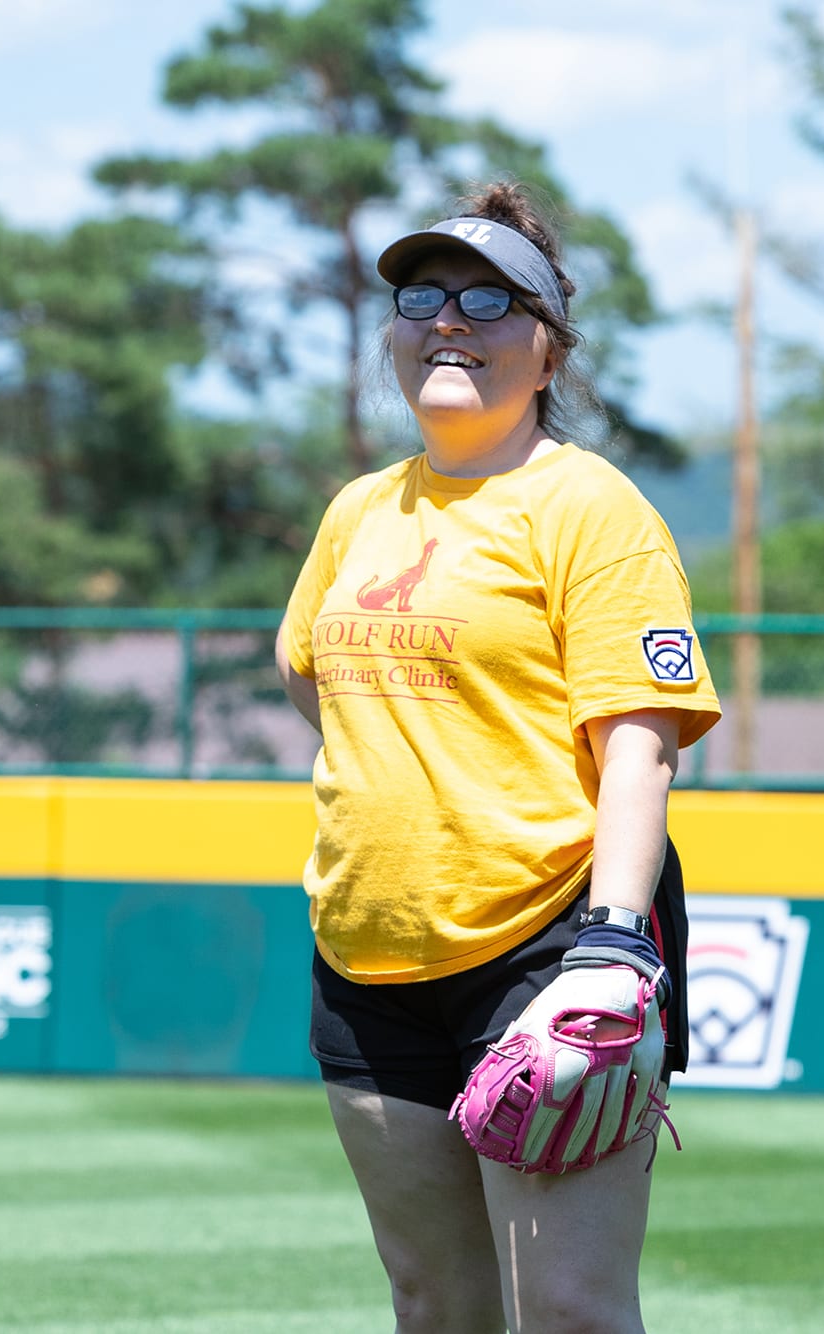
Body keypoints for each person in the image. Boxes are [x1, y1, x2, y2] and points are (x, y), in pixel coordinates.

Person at [275, 180, 719, 1334]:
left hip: (547, 946)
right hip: (369, 957)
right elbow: (306, 673)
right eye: (421, 294)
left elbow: (640, 738)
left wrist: (613, 943)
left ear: (549, 346)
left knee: (564, 1309)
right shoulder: (359, 510)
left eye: (489, 298)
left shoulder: (588, 507)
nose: (448, 321)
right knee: (435, 1306)